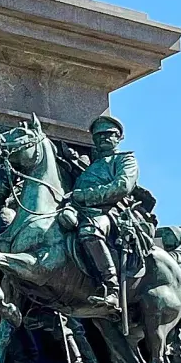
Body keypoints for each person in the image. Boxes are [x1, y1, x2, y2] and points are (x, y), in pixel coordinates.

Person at [61, 113, 155, 309]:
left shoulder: (125, 160)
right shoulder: (89, 166)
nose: (103, 138)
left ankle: (111, 288)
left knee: (90, 231)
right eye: (98, 135)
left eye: (108, 134)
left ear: (119, 137)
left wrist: (83, 196)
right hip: (80, 211)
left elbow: (122, 187)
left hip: (112, 212)